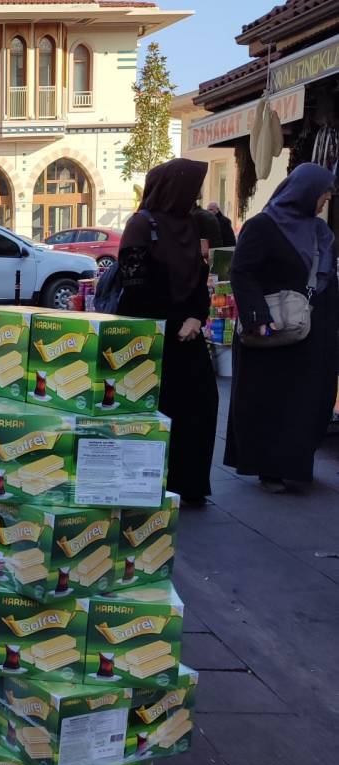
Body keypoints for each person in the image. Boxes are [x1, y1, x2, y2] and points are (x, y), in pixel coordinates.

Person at [224, 163, 338, 492]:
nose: (325, 200)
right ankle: (269, 468)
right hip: (274, 330)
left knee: (309, 400)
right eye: (322, 194)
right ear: (305, 192)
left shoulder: (319, 231)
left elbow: (325, 277)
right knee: (272, 400)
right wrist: (259, 317)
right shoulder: (263, 226)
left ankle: (296, 462)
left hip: (314, 331)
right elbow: (242, 272)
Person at [117, 158, 217, 506]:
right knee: (156, 409)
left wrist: (195, 318)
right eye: (192, 187)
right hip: (149, 336)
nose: (197, 195)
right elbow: (135, 286)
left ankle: (189, 485)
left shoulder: (189, 225)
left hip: (186, 332)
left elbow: (198, 280)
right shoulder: (141, 225)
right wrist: (176, 323)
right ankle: (150, 486)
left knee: (201, 404)